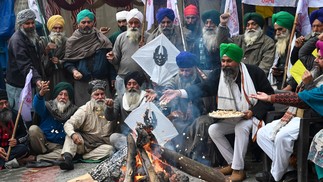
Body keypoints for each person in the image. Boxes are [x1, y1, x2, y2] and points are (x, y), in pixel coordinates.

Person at [160, 43, 274, 181]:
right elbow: (204, 88)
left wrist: (253, 112)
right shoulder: (219, 74)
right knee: (214, 130)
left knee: (241, 127)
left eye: (229, 61)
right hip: (234, 117)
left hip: (253, 117)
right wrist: (179, 92)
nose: (225, 64)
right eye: (223, 61)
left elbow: (269, 97)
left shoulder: (254, 73)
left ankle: (239, 170)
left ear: (237, 61)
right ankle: (232, 163)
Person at [251, 39, 323, 182]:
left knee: (282, 137)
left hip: (313, 119)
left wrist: (271, 98)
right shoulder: (316, 69)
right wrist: (318, 37)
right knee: (262, 133)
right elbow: (303, 53)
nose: (316, 60)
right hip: (298, 114)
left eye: (320, 57)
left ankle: (275, 177)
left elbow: (302, 99)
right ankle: (289, 172)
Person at [59, 80, 126, 170]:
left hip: (101, 146)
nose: (100, 97)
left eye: (102, 94)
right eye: (96, 95)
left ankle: (84, 157)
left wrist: (110, 108)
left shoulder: (110, 107)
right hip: (83, 143)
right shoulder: (84, 109)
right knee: (71, 135)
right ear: (91, 96)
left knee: (110, 150)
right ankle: (67, 159)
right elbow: (68, 124)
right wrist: (73, 134)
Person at [63, 9, 115, 106]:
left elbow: (110, 60)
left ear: (93, 23)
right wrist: (74, 71)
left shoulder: (102, 39)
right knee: (84, 114)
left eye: (89, 22)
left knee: (105, 112)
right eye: (83, 22)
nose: (86, 24)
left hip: (102, 82)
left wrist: (112, 76)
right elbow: (67, 62)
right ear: (78, 24)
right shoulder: (72, 42)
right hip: (82, 84)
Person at [164, 51, 206, 154]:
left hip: (200, 115)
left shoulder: (202, 78)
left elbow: (206, 99)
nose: (184, 74)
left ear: (194, 69)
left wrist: (193, 106)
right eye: (181, 70)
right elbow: (169, 88)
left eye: (187, 71)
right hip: (181, 117)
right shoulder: (176, 79)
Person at [28, 81, 77, 162]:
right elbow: (37, 107)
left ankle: (37, 158)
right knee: (33, 129)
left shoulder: (74, 111)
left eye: (66, 95)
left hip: (59, 146)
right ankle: (47, 156)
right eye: (60, 94)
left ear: (69, 98)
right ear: (56, 96)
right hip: (43, 142)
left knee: (66, 153)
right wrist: (41, 94)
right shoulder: (48, 106)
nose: (63, 97)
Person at [6, 9, 45, 112]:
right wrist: (37, 79)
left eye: (32, 22)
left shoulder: (32, 35)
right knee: (22, 114)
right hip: (18, 85)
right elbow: (25, 64)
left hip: (29, 82)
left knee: (32, 112)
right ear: (20, 24)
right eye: (27, 23)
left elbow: (35, 55)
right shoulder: (17, 40)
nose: (31, 25)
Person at [106, 8, 149, 97]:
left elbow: (153, 60)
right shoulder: (120, 37)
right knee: (123, 105)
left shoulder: (148, 37)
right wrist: (112, 58)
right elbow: (116, 59)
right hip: (123, 78)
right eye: (131, 23)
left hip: (141, 80)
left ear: (141, 24)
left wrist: (145, 49)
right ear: (127, 24)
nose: (133, 26)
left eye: (136, 23)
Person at [0, 89, 29, 170]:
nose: (5, 106)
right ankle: (11, 163)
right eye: (1, 104)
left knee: (23, 149)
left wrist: (17, 140)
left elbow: (25, 134)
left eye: (6, 102)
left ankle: (5, 163)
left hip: (10, 150)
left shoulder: (15, 115)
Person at [41, 15, 71, 92]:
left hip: (63, 76)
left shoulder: (68, 42)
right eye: (55, 28)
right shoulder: (43, 41)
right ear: (50, 29)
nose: (58, 31)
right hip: (48, 78)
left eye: (60, 28)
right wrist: (46, 51)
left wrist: (59, 62)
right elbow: (38, 60)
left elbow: (71, 59)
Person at [267, 11, 294, 90]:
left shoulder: (297, 44)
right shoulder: (279, 43)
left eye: (280, 29)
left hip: (291, 87)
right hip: (279, 83)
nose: (277, 33)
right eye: (276, 30)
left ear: (288, 28)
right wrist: (275, 72)